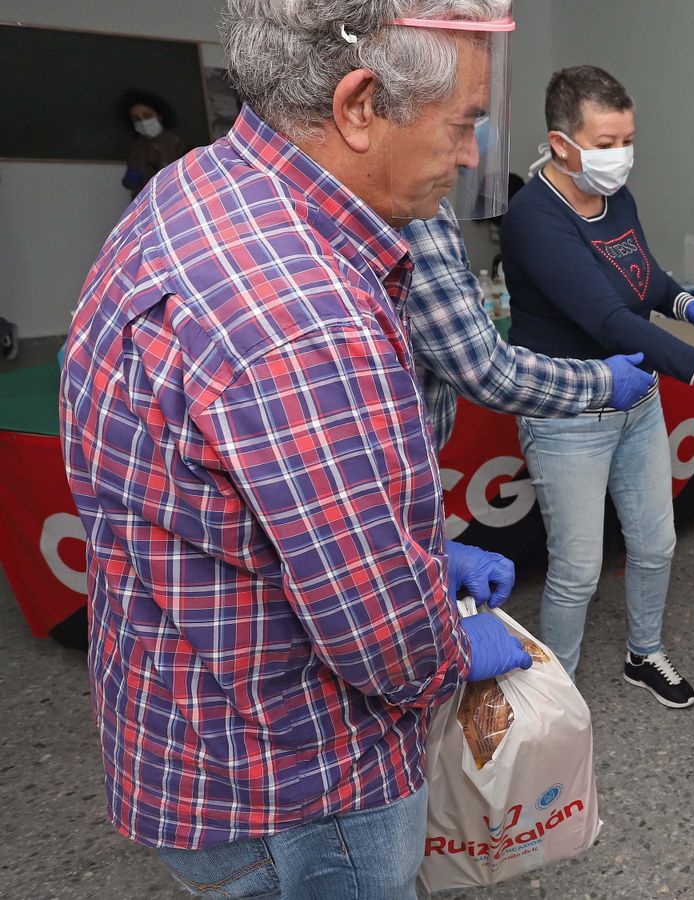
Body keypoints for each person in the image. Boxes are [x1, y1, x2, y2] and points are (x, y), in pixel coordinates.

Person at [59, 2, 536, 895]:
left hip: (183, 719)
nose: (470, 155)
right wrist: (446, 643)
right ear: (359, 106)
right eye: (463, 123)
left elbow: (269, 511)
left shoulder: (201, 185)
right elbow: (384, 643)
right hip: (296, 786)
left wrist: (418, 551)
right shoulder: (304, 319)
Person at [499, 65, 694, 706]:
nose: (621, 156)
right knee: (578, 568)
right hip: (569, 415)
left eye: (627, 140)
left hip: (636, 403)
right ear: (562, 144)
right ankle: (553, 696)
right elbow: (609, 319)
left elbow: (640, 278)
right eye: (607, 142)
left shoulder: (615, 198)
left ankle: (644, 655)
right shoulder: (534, 219)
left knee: (656, 541)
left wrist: (683, 304)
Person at [402, 196, 655, 451]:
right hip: (407, 459)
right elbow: (488, 370)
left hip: (415, 454)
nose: (469, 160)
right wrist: (605, 381)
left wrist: (682, 304)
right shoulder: (419, 216)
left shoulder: (619, 203)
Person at [118, 89, 188, 196]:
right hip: (146, 204)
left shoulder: (179, 144)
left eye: (147, 116)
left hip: (176, 201)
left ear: (159, 116)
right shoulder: (136, 148)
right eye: (137, 119)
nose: (143, 122)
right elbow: (130, 182)